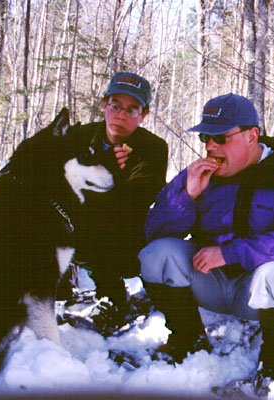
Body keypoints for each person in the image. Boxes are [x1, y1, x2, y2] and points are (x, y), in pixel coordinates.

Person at [138, 93, 274, 393]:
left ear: (251, 136)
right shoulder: (200, 173)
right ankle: (189, 343)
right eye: (206, 138)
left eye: (220, 138)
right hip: (210, 282)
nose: (211, 146)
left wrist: (230, 252)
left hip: (256, 293)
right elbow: (153, 234)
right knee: (157, 255)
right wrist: (187, 197)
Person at [68, 72, 168, 335]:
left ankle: (113, 296)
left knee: (104, 221)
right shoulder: (77, 137)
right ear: (104, 104)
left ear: (143, 114)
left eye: (131, 109)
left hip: (127, 241)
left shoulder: (153, 148)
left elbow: (134, 202)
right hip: (74, 226)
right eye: (115, 106)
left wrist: (100, 175)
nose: (121, 116)